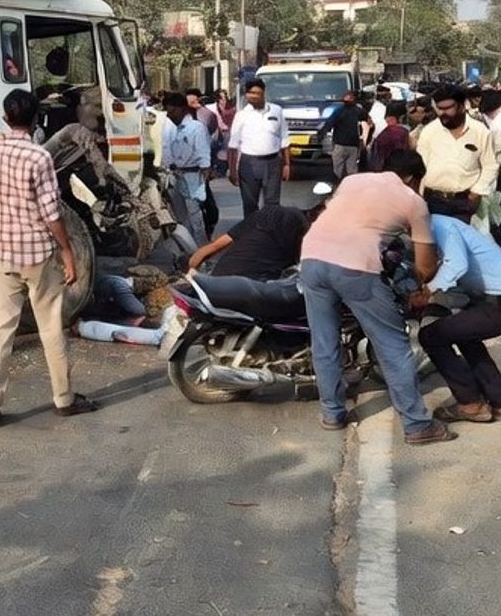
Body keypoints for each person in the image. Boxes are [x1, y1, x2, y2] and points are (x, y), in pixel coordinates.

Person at [299, 149, 455, 443]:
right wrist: (417, 283)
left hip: (311, 258)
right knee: (393, 346)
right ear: (412, 178)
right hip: (356, 267)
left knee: (324, 342)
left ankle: (332, 413)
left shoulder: (353, 181)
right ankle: (417, 425)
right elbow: (425, 265)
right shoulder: (413, 201)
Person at [0, 89, 99, 427]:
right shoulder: (39, 157)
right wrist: (67, 251)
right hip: (37, 256)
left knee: (1, 331)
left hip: (3, 254)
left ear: (6, 118)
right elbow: (51, 213)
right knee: (50, 328)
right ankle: (64, 399)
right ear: (36, 120)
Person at [414, 214, 501, 423]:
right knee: (463, 333)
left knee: (431, 336)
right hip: (490, 299)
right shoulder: (431, 227)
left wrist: (427, 291)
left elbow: (456, 264)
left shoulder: (439, 226)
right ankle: (497, 398)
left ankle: (470, 404)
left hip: (497, 301)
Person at [417, 84, 498, 224]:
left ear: (462, 105)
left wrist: (477, 192)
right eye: (440, 108)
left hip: (464, 202)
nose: (443, 113)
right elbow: (420, 166)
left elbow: (490, 165)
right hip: (433, 201)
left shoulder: (480, 131)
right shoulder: (429, 131)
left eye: (448, 108)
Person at [187, 203, 312, 280]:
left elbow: (215, 246)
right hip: (253, 288)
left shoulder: (260, 216)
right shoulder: (302, 228)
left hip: (219, 281)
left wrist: (190, 272)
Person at [227, 78, 290, 218]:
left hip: (273, 163)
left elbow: (284, 139)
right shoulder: (241, 115)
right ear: (246, 95)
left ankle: (270, 230)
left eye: (257, 93)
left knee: (272, 204)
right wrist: (232, 171)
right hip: (249, 163)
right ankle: (252, 230)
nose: (254, 96)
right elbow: (233, 146)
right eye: (250, 93)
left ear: (263, 93)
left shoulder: (276, 111)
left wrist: (286, 165)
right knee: (250, 204)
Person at [161, 91, 211, 246]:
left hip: (192, 175)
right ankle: (187, 250)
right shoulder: (169, 127)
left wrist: (205, 172)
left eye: (172, 111)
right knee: (179, 217)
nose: (169, 115)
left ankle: (202, 250)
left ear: (182, 108)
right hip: (173, 175)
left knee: (195, 216)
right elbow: (165, 149)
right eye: (168, 112)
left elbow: (203, 151)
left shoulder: (196, 127)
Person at [186, 87, 219, 238]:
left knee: (206, 202)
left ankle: (208, 227)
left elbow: (212, 138)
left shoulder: (207, 115)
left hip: (200, 166)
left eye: (194, 101)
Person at [316, 90, 370, 181]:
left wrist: (320, 136)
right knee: (352, 170)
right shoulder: (359, 111)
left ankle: (338, 184)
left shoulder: (339, 111)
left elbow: (329, 124)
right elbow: (369, 122)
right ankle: (351, 185)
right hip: (353, 145)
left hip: (340, 144)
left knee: (337, 169)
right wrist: (366, 140)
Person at [369, 102, 410, 171]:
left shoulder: (380, 132)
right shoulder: (403, 132)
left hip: (380, 169)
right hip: (398, 170)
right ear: (401, 117)